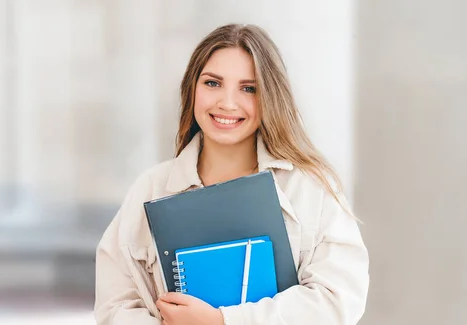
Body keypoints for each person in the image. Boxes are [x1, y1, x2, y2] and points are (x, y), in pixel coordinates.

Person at [93, 23, 369, 325]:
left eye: (248, 88)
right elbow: (114, 306)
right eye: (212, 83)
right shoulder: (151, 188)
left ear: (270, 98)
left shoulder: (311, 189)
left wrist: (222, 321)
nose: (227, 102)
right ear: (192, 89)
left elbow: (337, 301)